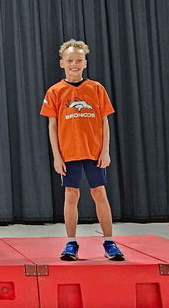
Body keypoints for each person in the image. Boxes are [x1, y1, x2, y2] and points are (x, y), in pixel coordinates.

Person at [40, 39, 124, 261]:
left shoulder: (96, 89)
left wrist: (105, 151)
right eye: (70, 61)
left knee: (99, 193)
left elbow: (105, 121)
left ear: (85, 63)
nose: (74, 64)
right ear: (62, 64)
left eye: (78, 60)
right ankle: (71, 243)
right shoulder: (55, 91)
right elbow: (52, 125)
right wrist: (57, 156)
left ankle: (109, 242)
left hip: (94, 152)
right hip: (69, 153)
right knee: (71, 194)